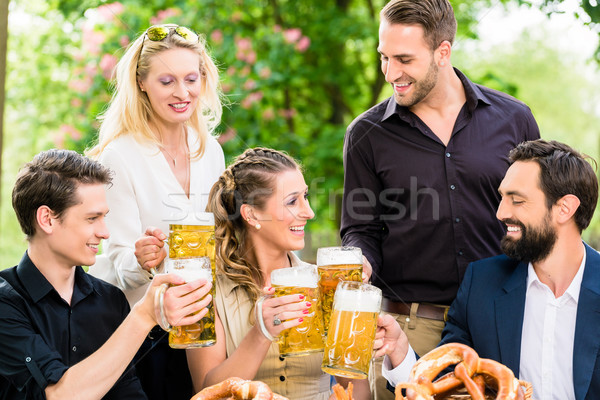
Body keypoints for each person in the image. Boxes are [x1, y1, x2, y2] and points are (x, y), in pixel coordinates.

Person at [339, 1, 540, 398]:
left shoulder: (514, 119)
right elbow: (360, 227)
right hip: (411, 329)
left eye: (404, 59)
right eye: (384, 57)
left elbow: (538, 211)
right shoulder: (366, 134)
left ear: (443, 52)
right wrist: (358, 257)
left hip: (504, 317)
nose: (390, 72)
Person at [378, 139, 600, 400]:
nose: (500, 212)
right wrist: (400, 351)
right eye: (502, 197)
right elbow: (444, 385)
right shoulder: (481, 284)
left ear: (564, 208)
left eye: (517, 200)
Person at [0, 149, 212, 400]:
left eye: (104, 218)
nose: (105, 232)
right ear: (47, 219)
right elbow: (59, 395)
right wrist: (144, 315)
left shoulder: (111, 300)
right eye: (92, 218)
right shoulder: (6, 304)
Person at [86, 24, 225, 399]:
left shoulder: (209, 149)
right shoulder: (120, 156)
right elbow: (115, 266)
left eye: (191, 79)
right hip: (146, 337)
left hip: (204, 328)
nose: (183, 93)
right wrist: (143, 258)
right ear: (142, 83)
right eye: (167, 81)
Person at [161, 147, 366, 400]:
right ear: (252, 214)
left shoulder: (328, 283)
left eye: (306, 196)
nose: (309, 212)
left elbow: (356, 393)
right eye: (292, 201)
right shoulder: (205, 291)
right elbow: (207, 393)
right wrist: (261, 333)